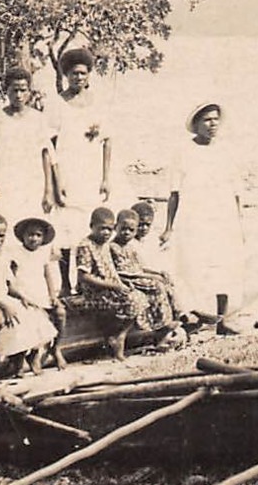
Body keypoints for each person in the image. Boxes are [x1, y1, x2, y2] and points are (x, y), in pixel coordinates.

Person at [161, 102, 246, 330]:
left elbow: (236, 190)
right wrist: (168, 227)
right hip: (194, 217)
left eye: (216, 119)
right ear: (197, 124)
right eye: (207, 120)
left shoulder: (226, 151)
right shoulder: (183, 151)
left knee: (225, 266)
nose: (212, 124)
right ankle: (195, 319)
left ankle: (223, 319)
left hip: (223, 216)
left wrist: (238, 222)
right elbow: (174, 192)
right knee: (193, 266)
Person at [0, 213, 58, 379]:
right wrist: (4, 305)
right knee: (10, 316)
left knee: (31, 313)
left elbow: (9, 285)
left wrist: (23, 297)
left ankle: (21, 360)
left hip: (2, 298)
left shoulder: (3, 255)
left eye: (1, 236)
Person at [45, 48, 114, 259]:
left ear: (89, 74)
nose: (79, 77)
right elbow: (48, 145)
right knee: (66, 222)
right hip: (66, 169)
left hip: (91, 170)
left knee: (93, 221)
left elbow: (107, 141)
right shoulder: (56, 103)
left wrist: (106, 178)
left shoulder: (98, 102)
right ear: (66, 75)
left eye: (83, 73)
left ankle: (90, 276)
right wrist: (56, 183)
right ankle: (66, 283)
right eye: (74, 73)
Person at [68, 206, 148, 361]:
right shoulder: (86, 245)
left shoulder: (105, 244)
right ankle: (117, 337)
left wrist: (121, 284)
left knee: (139, 296)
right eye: (102, 229)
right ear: (92, 226)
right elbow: (84, 277)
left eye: (110, 229)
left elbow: (111, 269)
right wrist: (114, 286)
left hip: (109, 287)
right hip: (94, 291)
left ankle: (119, 335)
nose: (106, 233)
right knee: (132, 301)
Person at [0, 67, 57, 222]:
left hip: (32, 181)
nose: (19, 95)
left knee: (31, 222)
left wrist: (48, 190)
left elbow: (46, 154)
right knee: (5, 218)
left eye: (23, 90)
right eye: (14, 90)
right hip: (4, 179)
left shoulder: (38, 119)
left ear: (29, 91)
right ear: (6, 91)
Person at [112, 208, 180, 339]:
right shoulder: (113, 247)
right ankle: (161, 325)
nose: (127, 233)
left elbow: (140, 267)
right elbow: (125, 271)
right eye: (123, 229)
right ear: (116, 227)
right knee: (156, 285)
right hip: (125, 278)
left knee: (164, 281)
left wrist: (158, 273)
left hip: (136, 276)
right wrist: (151, 276)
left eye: (131, 230)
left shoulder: (129, 247)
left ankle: (176, 317)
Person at [11, 217, 69, 369]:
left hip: (41, 294)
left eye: (38, 235)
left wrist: (53, 296)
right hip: (24, 294)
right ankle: (33, 355)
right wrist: (19, 296)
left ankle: (56, 349)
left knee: (60, 312)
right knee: (34, 317)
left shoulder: (43, 253)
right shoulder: (16, 253)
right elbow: (11, 278)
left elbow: (47, 275)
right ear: (23, 236)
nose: (34, 238)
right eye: (30, 234)